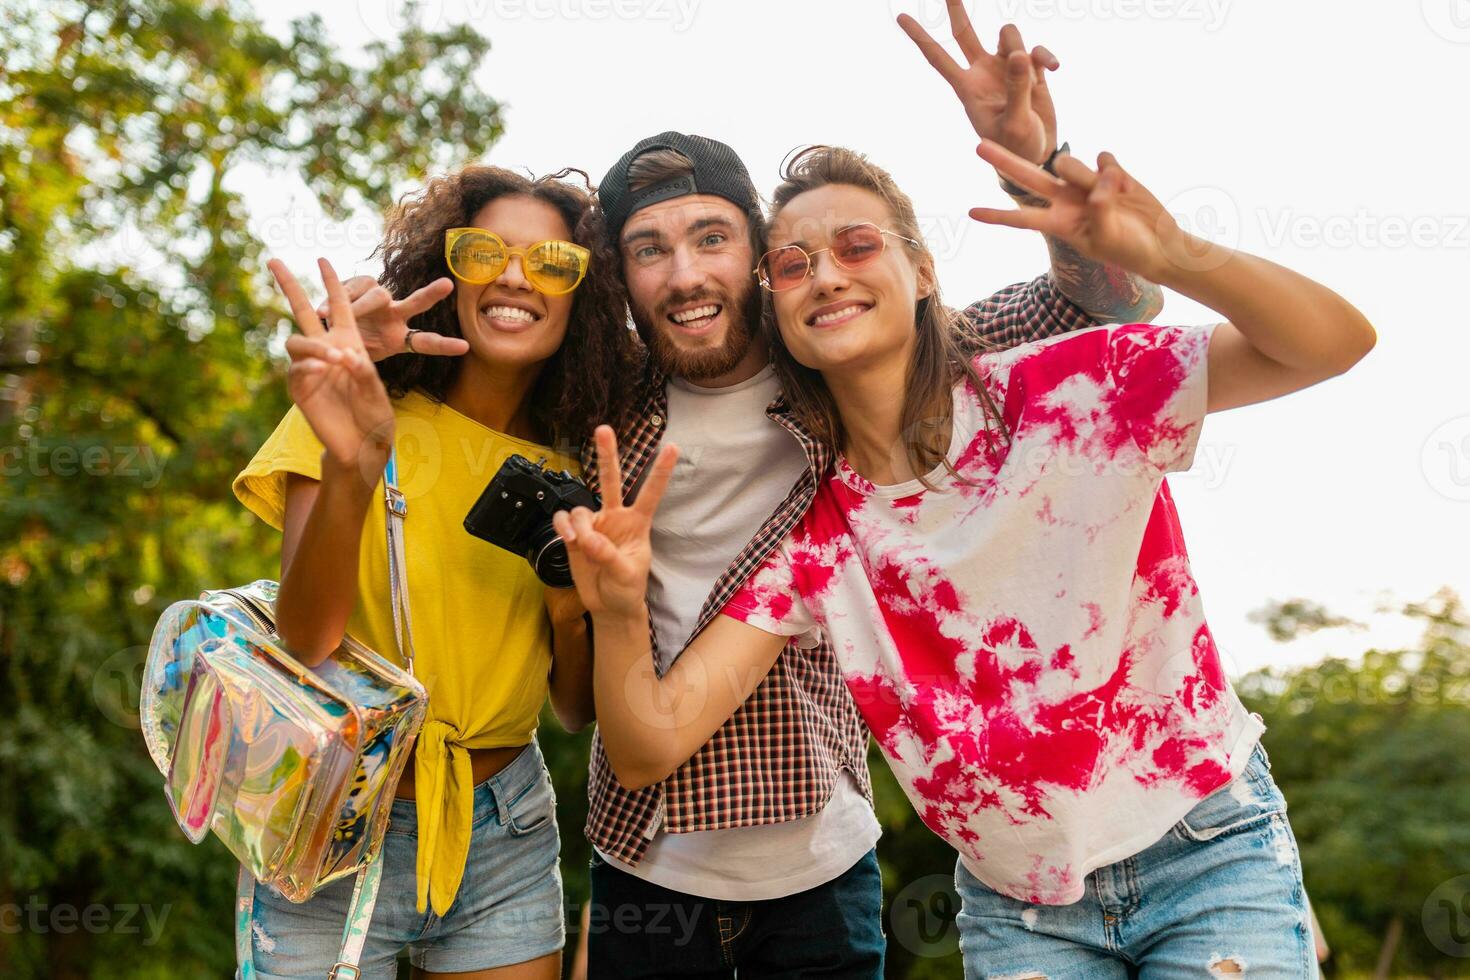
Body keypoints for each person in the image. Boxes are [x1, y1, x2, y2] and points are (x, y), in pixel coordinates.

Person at [338, 13, 1158, 974]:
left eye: (711, 238)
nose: (685, 274)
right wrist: (352, 333)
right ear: (621, 279)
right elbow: (470, 351)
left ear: (760, 249)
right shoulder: (602, 404)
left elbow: (1113, 302)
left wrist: (1034, 165)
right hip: (647, 861)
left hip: (823, 860)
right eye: (648, 250)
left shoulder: (851, 362)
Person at [553, 122, 1374, 975]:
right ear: (780, 308)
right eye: (794, 266)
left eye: (856, 244)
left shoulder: (1072, 388)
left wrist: (1171, 251)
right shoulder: (819, 537)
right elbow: (649, 742)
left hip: (1202, 846)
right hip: (1017, 905)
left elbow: (1332, 343)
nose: (825, 273)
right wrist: (615, 611)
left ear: (923, 271)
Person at [232, 165, 637, 979]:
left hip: (507, 830)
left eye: (552, 263)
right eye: (484, 252)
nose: (516, 277)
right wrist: (357, 467)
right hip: (334, 819)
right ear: (446, 275)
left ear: (581, 298)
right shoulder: (352, 404)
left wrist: (569, 607)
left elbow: (572, 710)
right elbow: (308, 641)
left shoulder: (578, 464)